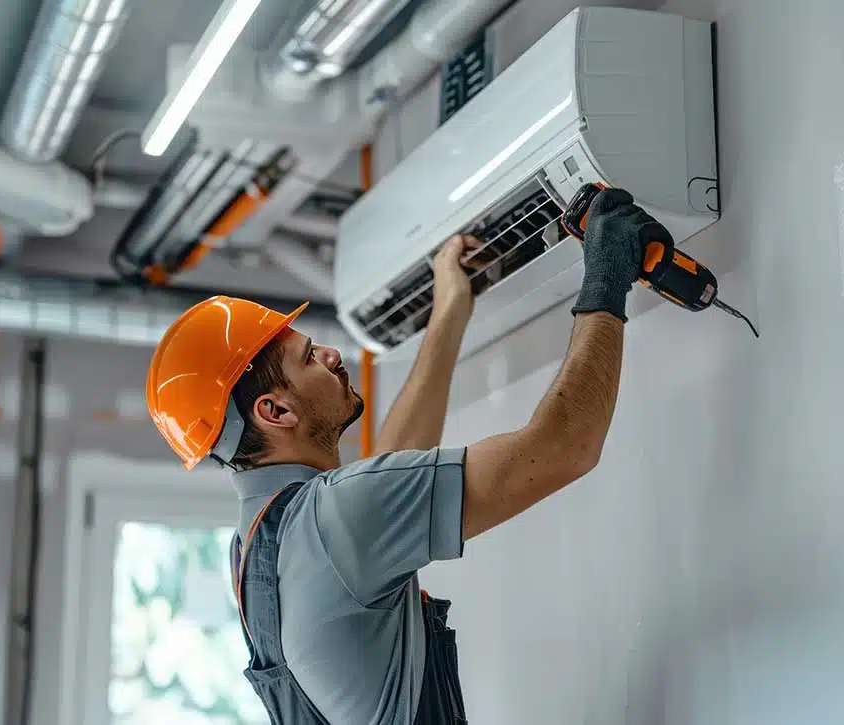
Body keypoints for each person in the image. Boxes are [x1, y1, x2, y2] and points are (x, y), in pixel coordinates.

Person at [145, 188, 667, 724]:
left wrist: (449, 311)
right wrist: (607, 275)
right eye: (308, 358)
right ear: (275, 411)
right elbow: (564, 447)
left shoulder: (255, 548)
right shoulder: (332, 517)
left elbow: (386, 478)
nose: (331, 354)